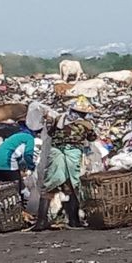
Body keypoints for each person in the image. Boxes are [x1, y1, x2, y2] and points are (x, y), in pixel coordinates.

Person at [36, 97, 98, 231]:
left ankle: (41, 222)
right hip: (73, 152)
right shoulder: (86, 124)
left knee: (50, 185)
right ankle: (74, 220)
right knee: (73, 184)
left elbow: (51, 133)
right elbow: (92, 137)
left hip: (56, 151)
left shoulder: (59, 119)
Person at [0, 120, 39, 196]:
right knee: (20, 189)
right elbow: (28, 154)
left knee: (2, 188)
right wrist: (31, 167)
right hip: (6, 163)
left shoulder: (15, 137)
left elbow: (16, 153)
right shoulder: (29, 138)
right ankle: (27, 204)